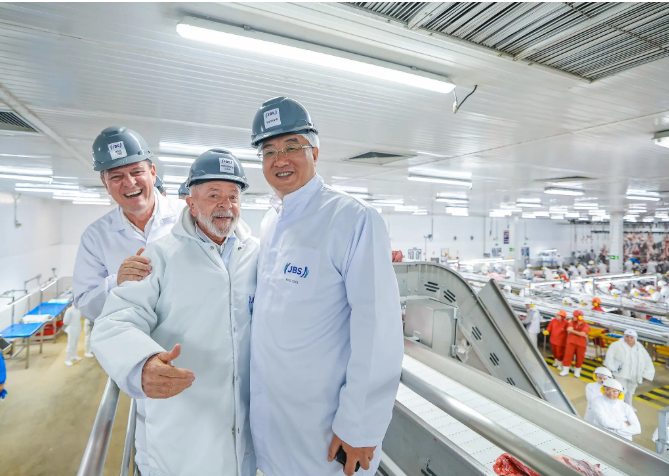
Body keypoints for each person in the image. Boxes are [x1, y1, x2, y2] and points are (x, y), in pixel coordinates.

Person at [249, 97, 403, 476]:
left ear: (315, 152)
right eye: (269, 151)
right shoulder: (270, 223)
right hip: (273, 423)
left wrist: (360, 426)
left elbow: (378, 331)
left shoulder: (352, 219)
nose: (280, 160)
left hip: (327, 432)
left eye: (291, 147)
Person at [92, 150, 258, 476]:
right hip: (181, 427)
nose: (226, 205)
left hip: (242, 428)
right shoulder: (160, 256)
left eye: (233, 196)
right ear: (191, 203)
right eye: (214, 195)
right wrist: (141, 363)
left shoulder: (257, 254)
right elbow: (114, 322)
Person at [73, 126, 179, 475]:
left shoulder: (188, 216)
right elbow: (85, 301)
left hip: (194, 342)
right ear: (105, 183)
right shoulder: (96, 237)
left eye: (136, 172)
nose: (130, 183)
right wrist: (115, 283)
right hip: (140, 355)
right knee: (154, 447)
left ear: (152, 171)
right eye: (117, 176)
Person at [604, 329, 655, 407]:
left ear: (635, 338)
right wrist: (612, 367)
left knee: (630, 391)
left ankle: (628, 406)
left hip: (634, 374)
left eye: (631, 337)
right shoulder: (616, 345)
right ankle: (618, 406)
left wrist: (647, 372)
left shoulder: (639, 347)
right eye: (627, 336)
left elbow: (646, 360)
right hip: (621, 373)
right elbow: (609, 356)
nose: (629, 339)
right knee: (620, 390)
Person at [559, 310, 590, 378]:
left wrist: (573, 331)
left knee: (580, 358)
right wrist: (580, 334)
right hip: (571, 342)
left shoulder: (586, 325)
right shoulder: (572, 322)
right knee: (567, 356)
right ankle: (565, 371)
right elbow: (569, 329)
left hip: (581, 344)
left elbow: (582, 333)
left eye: (574, 316)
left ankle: (577, 372)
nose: (573, 317)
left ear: (579, 317)